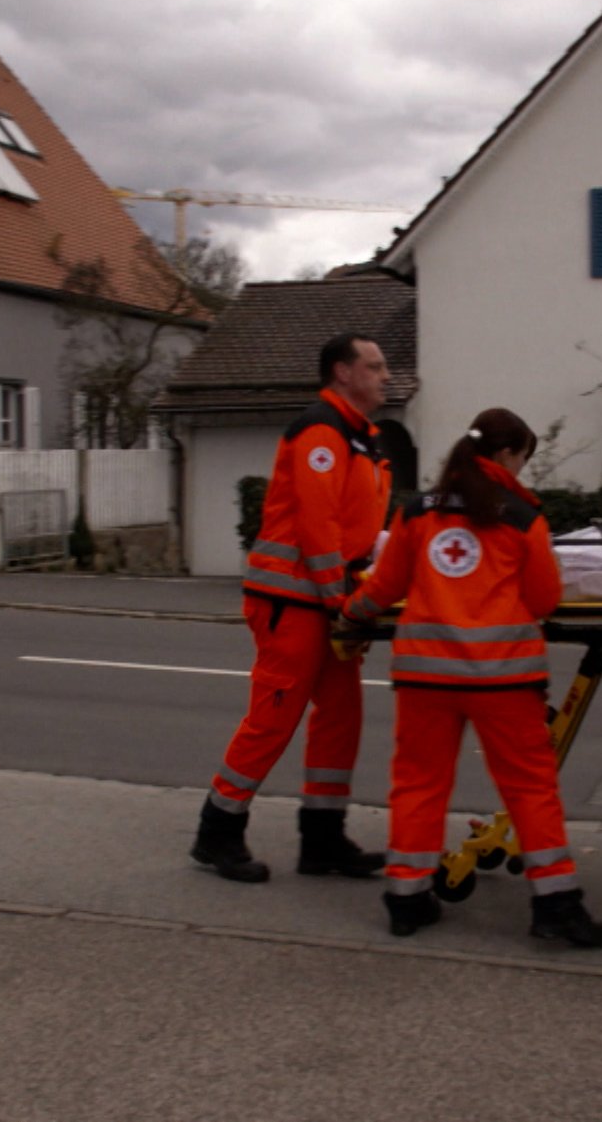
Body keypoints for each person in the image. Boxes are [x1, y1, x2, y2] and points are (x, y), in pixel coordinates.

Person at [338, 408, 602, 948]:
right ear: (507, 456)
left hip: (425, 678)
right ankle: (555, 905)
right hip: (503, 680)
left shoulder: (418, 511)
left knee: (418, 784)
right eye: (523, 457)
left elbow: (385, 585)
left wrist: (349, 613)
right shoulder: (522, 517)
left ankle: (407, 900)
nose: (524, 469)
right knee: (530, 788)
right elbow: (543, 600)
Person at [191, 332, 392, 883]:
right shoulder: (322, 434)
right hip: (293, 600)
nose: (385, 375)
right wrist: (342, 601)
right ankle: (218, 832)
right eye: (374, 366)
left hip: (321, 600)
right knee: (274, 718)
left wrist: (360, 595)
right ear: (342, 373)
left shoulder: (362, 439)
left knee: (341, 717)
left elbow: (356, 531)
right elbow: (317, 525)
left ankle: (323, 840)